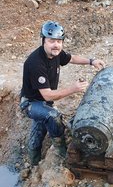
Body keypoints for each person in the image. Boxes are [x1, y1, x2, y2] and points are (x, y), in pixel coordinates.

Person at [20, 20, 105, 165]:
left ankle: (33, 162)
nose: (56, 44)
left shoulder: (56, 53)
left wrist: (91, 61)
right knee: (52, 116)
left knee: (38, 133)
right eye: (51, 40)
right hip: (30, 103)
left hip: (44, 102)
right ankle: (60, 150)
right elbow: (47, 94)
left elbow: (71, 58)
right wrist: (73, 89)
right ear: (43, 41)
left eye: (59, 41)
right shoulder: (35, 63)